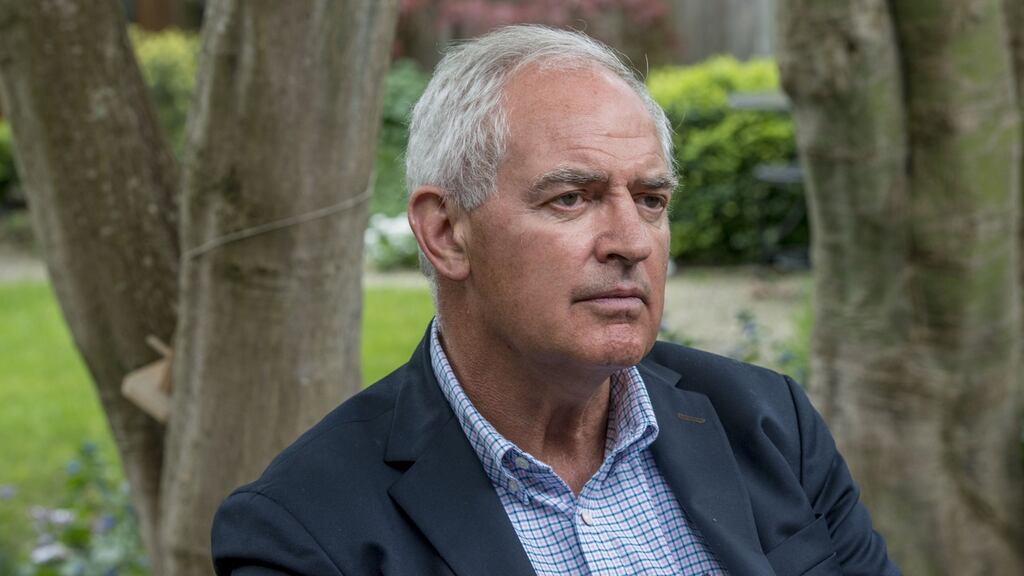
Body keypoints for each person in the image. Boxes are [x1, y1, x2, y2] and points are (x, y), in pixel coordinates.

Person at [211, 25, 900, 576]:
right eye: (572, 198)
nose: (631, 240)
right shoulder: (307, 532)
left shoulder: (768, 425)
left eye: (651, 200)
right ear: (447, 233)